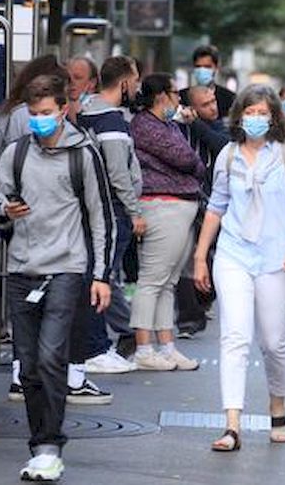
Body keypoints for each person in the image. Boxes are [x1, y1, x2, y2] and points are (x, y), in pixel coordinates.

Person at [0, 74, 113, 482]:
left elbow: (101, 216)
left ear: (63, 109)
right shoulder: (16, 153)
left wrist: (101, 275)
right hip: (22, 267)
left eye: (46, 113)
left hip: (66, 269)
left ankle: (48, 447)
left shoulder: (83, 155)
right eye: (33, 114)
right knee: (27, 369)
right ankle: (41, 444)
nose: (39, 121)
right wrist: (4, 210)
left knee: (50, 357)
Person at [193, 85, 285, 451]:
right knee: (235, 337)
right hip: (234, 254)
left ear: (273, 117)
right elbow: (216, 206)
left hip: (277, 256)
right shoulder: (229, 155)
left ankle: (277, 405)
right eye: (250, 112)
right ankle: (232, 424)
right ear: (240, 116)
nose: (256, 119)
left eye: (263, 113)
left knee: (274, 342)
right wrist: (200, 256)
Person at [129, 73, 206, 371]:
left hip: (178, 207)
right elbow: (188, 160)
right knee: (152, 280)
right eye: (176, 93)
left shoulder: (167, 124)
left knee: (167, 283)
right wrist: (192, 166)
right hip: (162, 206)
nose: (179, 99)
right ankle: (144, 348)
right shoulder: (146, 126)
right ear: (162, 95)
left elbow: (189, 160)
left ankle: (166, 345)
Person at [78, 56, 144, 372]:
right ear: (124, 83)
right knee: (102, 276)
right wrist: (135, 211)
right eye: (136, 82)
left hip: (91, 208)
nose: (138, 88)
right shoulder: (111, 123)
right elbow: (118, 174)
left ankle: (121, 334)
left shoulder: (84, 113)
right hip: (112, 211)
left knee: (102, 274)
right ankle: (95, 348)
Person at [175, 84, 231, 339]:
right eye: (205, 104)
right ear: (190, 108)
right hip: (186, 199)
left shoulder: (217, 126)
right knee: (188, 257)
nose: (213, 107)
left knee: (212, 257)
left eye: (213, 101)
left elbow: (222, 146)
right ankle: (189, 318)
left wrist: (198, 124)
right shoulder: (176, 128)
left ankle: (206, 296)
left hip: (214, 202)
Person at [179, 45, 235, 120]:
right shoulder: (181, 97)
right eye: (198, 66)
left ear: (216, 67)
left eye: (207, 67)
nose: (202, 70)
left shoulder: (229, 98)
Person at [66, 56, 99, 120]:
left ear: (92, 82)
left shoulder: (101, 114)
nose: (71, 82)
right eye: (67, 78)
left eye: (78, 78)